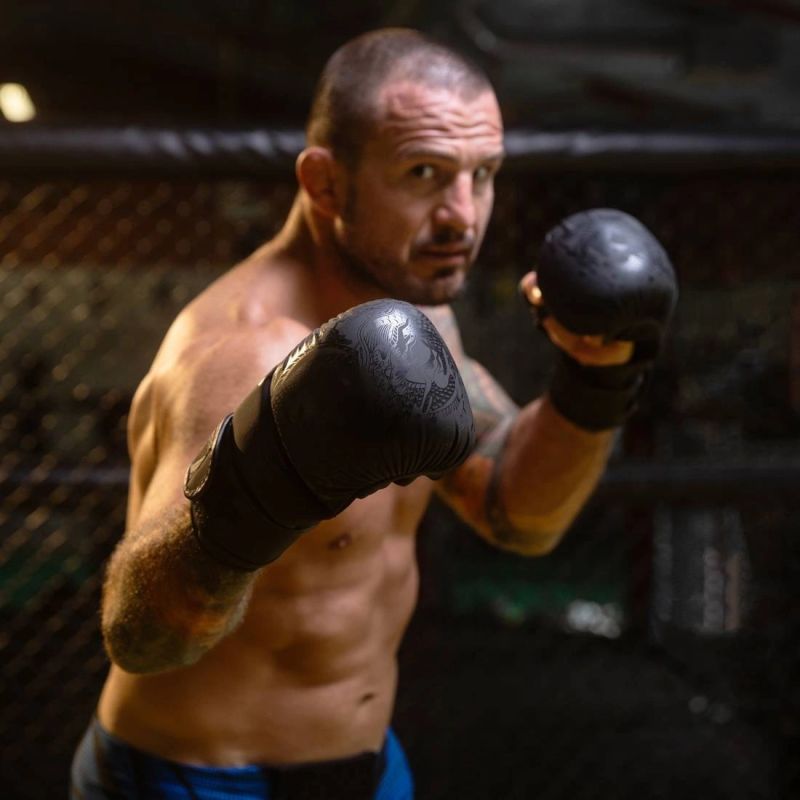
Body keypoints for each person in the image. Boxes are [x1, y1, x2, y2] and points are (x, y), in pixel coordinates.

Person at [70, 27, 675, 800]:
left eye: (483, 174)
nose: (463, 216)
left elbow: (517, 513)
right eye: (424, 174)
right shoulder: (241, 354)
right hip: (200, 780)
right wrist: (254, 493)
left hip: (367, 769)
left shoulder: (417, 315)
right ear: (325, 184)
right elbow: (139, 639)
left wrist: (596, 380)